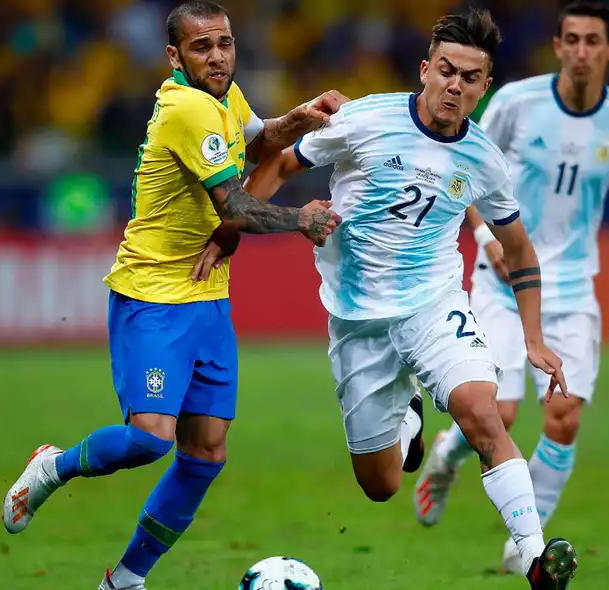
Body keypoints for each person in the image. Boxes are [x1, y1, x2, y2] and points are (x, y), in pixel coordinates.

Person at [0, 2, 346, 589]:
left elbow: (257, 141)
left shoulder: (222, 97)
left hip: (206, 297)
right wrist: (300, 219)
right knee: (148, 439)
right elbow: (235, 205)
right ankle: (52, 466)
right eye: (201, 46)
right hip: (153, 294)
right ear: (174, 56)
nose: (217, 56)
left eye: (224, 43)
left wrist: (301, 118)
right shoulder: (187, 108)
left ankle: (125, 580)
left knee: (206, 453)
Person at [244, 9, 579, 589]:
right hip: (358, 319)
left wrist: (533, 338)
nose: (455, 86)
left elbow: (519, 250)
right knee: (381, 485)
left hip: (433, 304)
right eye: (446, 71)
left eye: (469, 78)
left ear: (483, 86)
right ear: (425, 70)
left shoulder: (483, 159)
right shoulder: (365, 119)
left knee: (482, 412)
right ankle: (409, 418)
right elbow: (281, 162)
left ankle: (533, 556)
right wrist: (233, 228)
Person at [412, 1, 609, 575]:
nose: (581, 51)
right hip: (503, 279)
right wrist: (484, 235)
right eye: (572, 39)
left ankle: (527, 552)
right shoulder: (517, 103)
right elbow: (463, 162)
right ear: (558, 45)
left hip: (571, 287)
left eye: (593, 41)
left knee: (564, 418)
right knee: (499, 409)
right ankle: (447, 454)